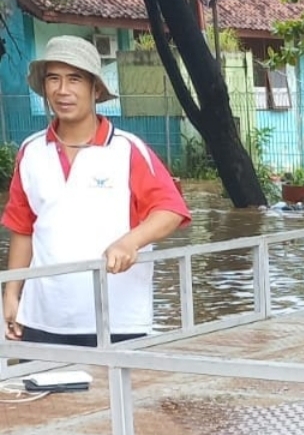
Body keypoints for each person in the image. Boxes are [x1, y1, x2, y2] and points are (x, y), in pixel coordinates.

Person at [3, 35, 190, 346]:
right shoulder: (30, 151)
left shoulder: (128, 149)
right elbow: (22, 228)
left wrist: (130, 242)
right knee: (38, 393)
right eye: (54, 79)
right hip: (40, 318)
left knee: (115, 395)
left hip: (117, 319)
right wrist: (11, 293)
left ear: (96, 88)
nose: (63, 90)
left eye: (74, 79)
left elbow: (170, 210)